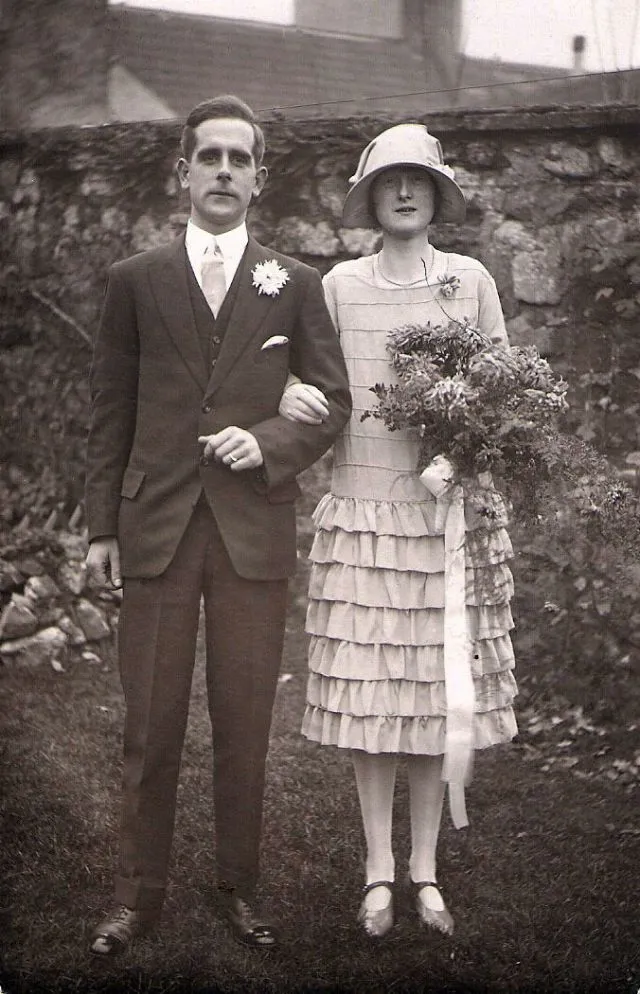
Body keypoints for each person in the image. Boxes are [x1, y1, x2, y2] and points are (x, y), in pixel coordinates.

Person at [84, 94, 351, 954]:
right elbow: (109, 410)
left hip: (251, 533)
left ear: (260, 179)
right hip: (155, 526)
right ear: (184, 172)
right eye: (210, 157)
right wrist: (100, 528)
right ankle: (136, 897)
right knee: (149, 726)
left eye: (240, 159)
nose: (225, 172)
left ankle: (239, 888)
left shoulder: (295, 284)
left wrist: (267, 439)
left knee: (243, 724)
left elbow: (331, 403)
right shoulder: (134, 280)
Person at [282, 123, 517, 939]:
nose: (405, 193)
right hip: (365, 512)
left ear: (437, 194)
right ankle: (377, 869)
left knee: (431, 693)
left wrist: (457, 460)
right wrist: (290, 402)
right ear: (372, 200)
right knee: (373, 697)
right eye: (390, 183)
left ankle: (426, 871)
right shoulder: (338, 286)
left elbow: (503, 395)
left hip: (447, 517)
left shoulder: (469, 280)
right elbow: (312, 384)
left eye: (418, 180)